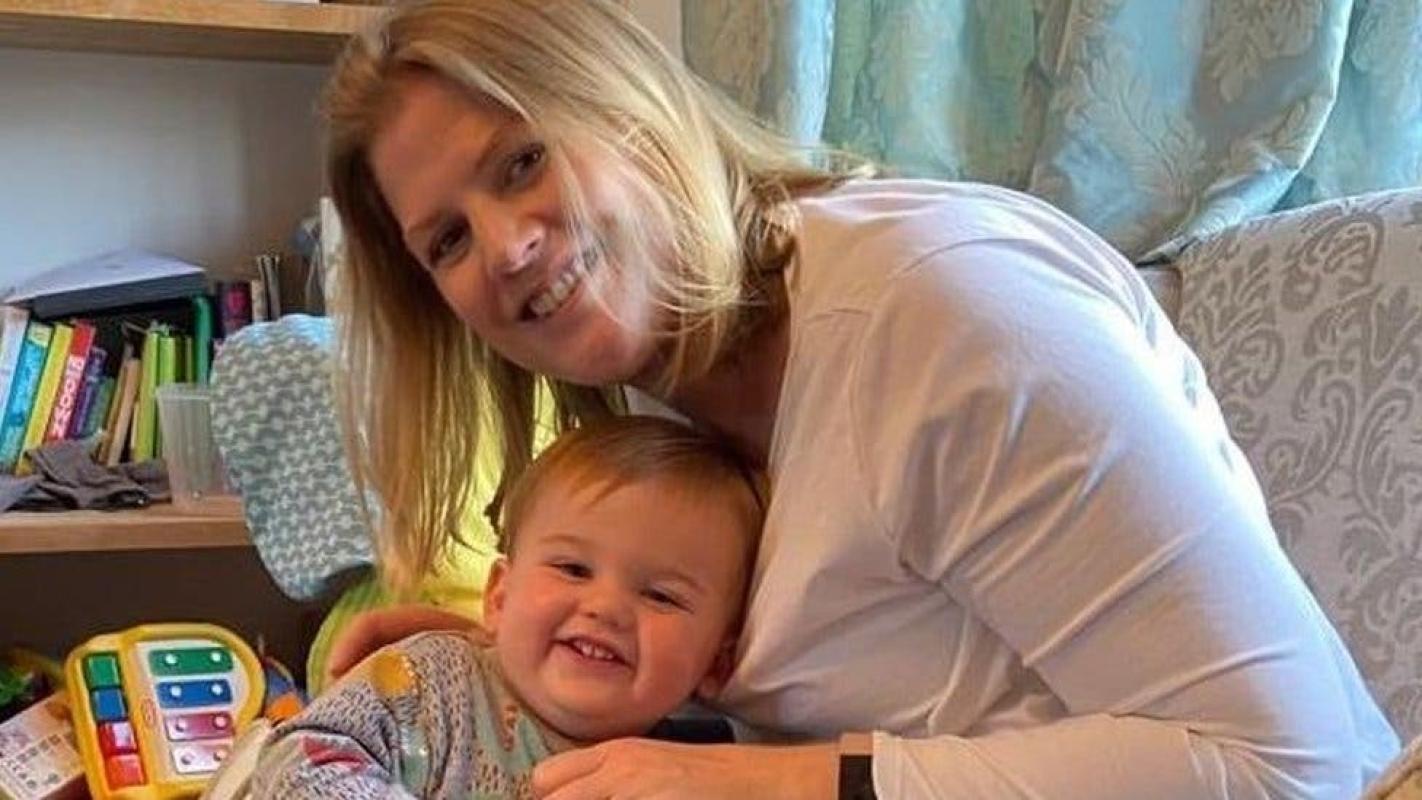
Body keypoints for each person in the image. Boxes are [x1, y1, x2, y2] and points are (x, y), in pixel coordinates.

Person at [318, 0, 1400, 797]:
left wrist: (767, 785)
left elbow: (1289, 766)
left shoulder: (948, 319)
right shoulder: (655, 397)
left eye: (521, 162)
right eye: (446, 240)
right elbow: (841, 653)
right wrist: (528, 654)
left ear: (633, 113)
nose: (506, 247)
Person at [252, 415, 763, 797]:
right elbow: (300, 757)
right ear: (499, 595)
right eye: (573, 568)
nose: (606, 607)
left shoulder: (698, 774)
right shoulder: (427, 681)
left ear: (716, 663)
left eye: (660, 595)